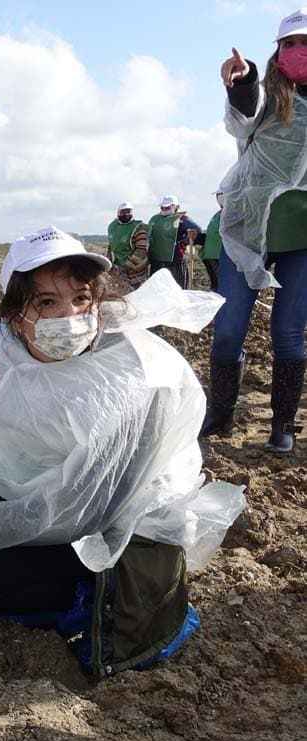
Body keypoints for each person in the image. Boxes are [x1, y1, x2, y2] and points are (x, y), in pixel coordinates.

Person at [0, 227, 244, 676]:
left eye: (81, 299)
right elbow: (14, 447)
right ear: (16, 316)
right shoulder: (1, 353)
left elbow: (84, 509)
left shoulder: (134, 377)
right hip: (65, 495)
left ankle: (84, 595)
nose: (70, 315)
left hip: (119, 531)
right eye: (46, 303)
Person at [202, 10, 307, 453]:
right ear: (277, 53)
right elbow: (243, 115)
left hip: (301, 237)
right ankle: (221, 411)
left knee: (288, 331)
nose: (298, 52)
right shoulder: (267, 94)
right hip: (247, 228)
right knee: (228, 328)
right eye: (290, 44)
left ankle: (282, 423)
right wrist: (241, 83)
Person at [147, 195, 202, 289]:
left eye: (167, 207)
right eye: (162, 207)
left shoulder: (182, 219)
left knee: (178, 289)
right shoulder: (154, 219)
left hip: (175, 261)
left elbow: (197, 230)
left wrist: (186, 240)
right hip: (156, 262)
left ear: (175, 206)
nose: (164, 209)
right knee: (157, 290)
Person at [106, 202, 149, 289]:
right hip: (117, 268)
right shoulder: (113, 227)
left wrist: (127, 266)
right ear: (118, 213)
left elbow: (141, 250)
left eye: (128, 211)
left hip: (135, 270)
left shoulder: (139, 227)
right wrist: (109, 264)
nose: (126, 214)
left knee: (135, 294)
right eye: (123, 212)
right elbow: (111, 247)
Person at [201, 192, 224, 291]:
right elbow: (210, 235)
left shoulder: (232, 214)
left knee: (222, 285)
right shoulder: (217, 214)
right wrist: (197, 236)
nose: (219, 198)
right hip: (210, 256)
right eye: (218, 195)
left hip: (221, 256)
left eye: (221, 194)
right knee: (215, 284)